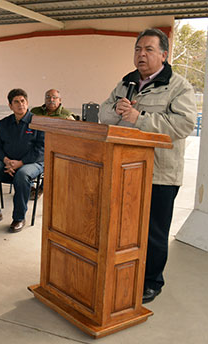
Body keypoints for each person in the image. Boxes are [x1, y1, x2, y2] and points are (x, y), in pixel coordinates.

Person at [99, 28, 196, 304]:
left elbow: (183, 124)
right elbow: (104, 114)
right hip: (124, 169)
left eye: (148, 50)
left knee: (154, 231)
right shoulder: (125, 83)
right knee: (125, 228)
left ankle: (152, 281)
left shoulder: (178, 86)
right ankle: (126, 272)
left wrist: (138, 118)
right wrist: (116, 110)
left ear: (164, 55)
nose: (141, 54)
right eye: (138, 49)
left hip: (159, 173)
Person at [0, 89, 44, 233]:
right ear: (10, 106)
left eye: (23, 101)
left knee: (22, 175)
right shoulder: (4, 123)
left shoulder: (38, 123)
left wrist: (20, 163)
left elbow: (41, 149)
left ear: (27, 103)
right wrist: (6, 160)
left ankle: (19, 218)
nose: (20, 104)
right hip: (7, 162)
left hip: (32, 164)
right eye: (16, 102)